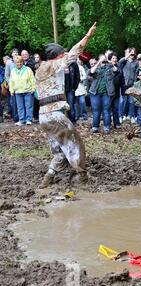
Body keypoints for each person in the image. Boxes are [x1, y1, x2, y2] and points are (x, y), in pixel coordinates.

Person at [35, 22, 97, 188]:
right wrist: (88, 35)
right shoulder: (55, 65)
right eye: (62, 53)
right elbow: (76, 51)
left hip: (43, 116)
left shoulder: (39, 69)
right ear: (57, 56)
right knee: (76, 144)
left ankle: (48, 177)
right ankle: (81, 177)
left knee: (59, 150)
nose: (65, 55)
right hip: (55, 113)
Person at [88, 54, 117, 134]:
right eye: (102, 61)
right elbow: (91, 72)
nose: (103, 62)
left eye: (104, 61)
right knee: (96, 111)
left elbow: (116, 70)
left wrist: (108, 62)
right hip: (94, 93)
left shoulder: (110, 68)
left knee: (106, 110)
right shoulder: (96, 68)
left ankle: (106, 127)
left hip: (106, 93)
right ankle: (95, 127)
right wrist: (98, 63)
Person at [9, 56, 36, 126]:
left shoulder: (28, 69)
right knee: (20, 107)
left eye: (20, 62)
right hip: (18, 91)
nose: (19, 63)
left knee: (28, 106)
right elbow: (11, 81)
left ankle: (28, 120)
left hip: (28, 90)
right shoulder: (13, 71)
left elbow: (32, 79)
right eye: (17, 62)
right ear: (15, 63)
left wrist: (33, 88)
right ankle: (21, 120)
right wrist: (11, 90)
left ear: (22, 62)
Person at [119, 47, 138, 123]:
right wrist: (127, 55)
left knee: (131, 101)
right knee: (123, 101)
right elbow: (120, 62)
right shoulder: (124, 61)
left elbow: (136, 73)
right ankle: (121, 115)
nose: (132, 54)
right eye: (130, 52)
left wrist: (135, 83)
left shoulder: (136, 62)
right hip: (124, 84)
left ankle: (131, 116)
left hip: (132, 84)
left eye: (133, 53)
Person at [65, 59, 81, 123]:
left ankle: (72, 121)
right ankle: (64, 121)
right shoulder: (60, 63)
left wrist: (74, 87)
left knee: (70, 105)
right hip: (61, 89)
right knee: (61, 106)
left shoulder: (74, 64)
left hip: (70, 89)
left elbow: (77, 76)